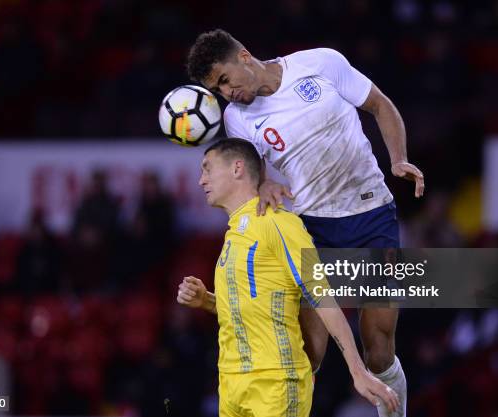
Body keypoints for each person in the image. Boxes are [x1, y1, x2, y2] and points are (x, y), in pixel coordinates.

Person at [187, 29, 425, 417]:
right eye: (217, 89)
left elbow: (380, 105)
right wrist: (265, 185)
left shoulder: (320, 63)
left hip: (371, 214)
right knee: (307, 354)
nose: (227, 92)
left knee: (379, 348)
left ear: (244, 56)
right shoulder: (237, 118)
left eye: (225, 79)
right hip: (313, 226)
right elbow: (251, 173)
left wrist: (397, 159)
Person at [176, 139, 399, 417]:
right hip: (232, 383)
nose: (200, 180)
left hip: (276, 382)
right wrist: (207, 301)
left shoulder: (279, 223)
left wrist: (357, 371)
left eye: (207, 169)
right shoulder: (235, 234)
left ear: (237, 168)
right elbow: (252, 305)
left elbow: (322, 297)